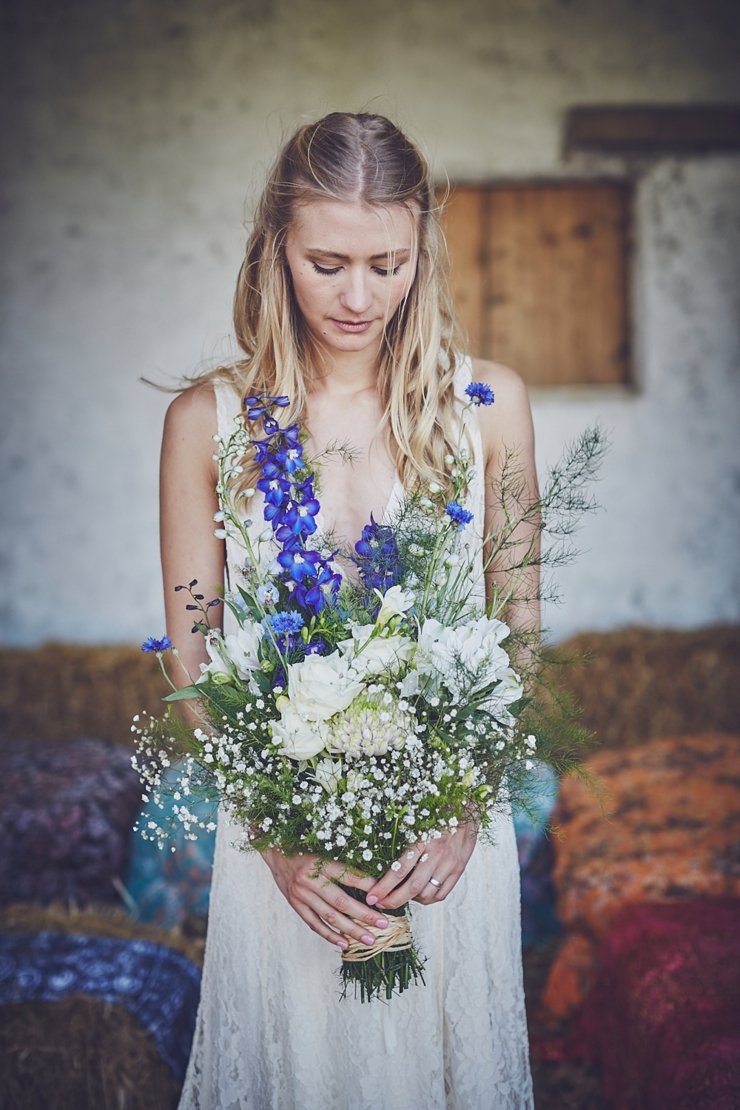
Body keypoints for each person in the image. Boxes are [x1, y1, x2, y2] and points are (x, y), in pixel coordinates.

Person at [161, 112, 537, 1109]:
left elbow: (520, 637)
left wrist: (464, 811)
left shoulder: (488, 407)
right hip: (284, 856)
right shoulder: (207, 421)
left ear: (422, 253)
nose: (358, 297)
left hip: (446, 846)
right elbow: (193, 663)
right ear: (275, 249)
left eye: (387, 264)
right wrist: (278, 841)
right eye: (326, 263)